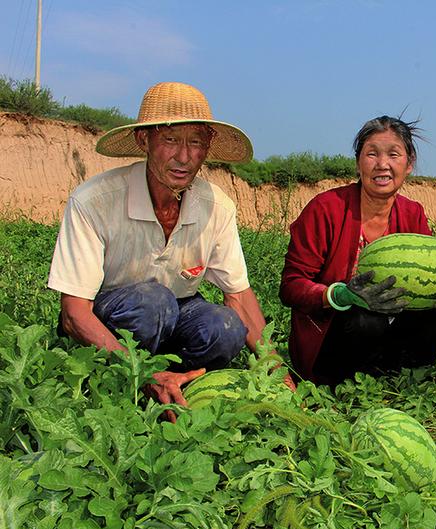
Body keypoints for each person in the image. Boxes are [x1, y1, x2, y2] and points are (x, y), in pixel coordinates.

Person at [48, 81, 292, 421]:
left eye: (195, 142)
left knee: (226, 327)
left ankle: (176, 383)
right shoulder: (95, 201)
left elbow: (238, 296)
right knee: (152, 303)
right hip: (111, 314)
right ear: (143, 140)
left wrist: (279, 372)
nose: (183, 156)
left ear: (208, 146)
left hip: (177, 310)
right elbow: (74, 313)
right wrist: (140, 371)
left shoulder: (216, 206)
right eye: (170, 139)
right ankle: (129, 381)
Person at [279, 115, 436, 385]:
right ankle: (341, 384)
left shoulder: (412, 213)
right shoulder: (325, 209)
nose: (382, 164)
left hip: (391, 335)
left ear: (409, 164)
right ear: (359, 162)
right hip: (332, 340)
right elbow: (291, 286)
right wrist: (340, 294)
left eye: (394, 154)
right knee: (366, 319)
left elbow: (425, 282)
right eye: (372, 154)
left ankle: (400, 375)